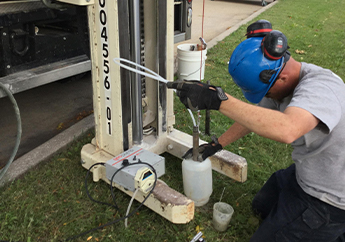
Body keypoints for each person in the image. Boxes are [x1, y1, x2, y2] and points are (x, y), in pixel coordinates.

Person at [167, 20, 345, 241]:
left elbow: (287, 129)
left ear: (282, 77)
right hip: (308, 170)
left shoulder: (321, 89)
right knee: (261, 205)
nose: (266, 98)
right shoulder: (283, 81)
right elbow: (254, 118)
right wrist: (216, 145)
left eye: (267, 93)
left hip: (329, 198)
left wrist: (218, 101)